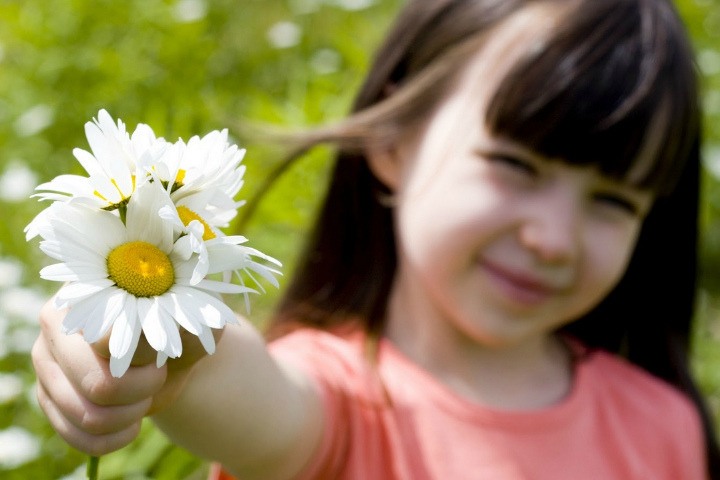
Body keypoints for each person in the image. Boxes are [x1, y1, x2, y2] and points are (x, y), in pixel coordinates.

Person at [31, 0, 720, 478]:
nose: (553, 239)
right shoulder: (338, 410)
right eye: (516, 165)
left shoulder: (666, 425)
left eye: (613, 201)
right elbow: (237, 384)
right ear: (394, 136)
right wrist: (153, 335)